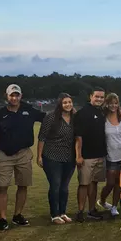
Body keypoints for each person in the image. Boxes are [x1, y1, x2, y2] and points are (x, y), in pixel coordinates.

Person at [0, 84, 45, 231]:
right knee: (2, 187)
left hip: (24, 153)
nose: (14, 98)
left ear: (21, 96)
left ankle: (17, 215)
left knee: (23, 185)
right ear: (6, 96)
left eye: (17, 95)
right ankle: (2, 219)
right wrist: (0, 150)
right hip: (4, 154)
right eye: (11, 95)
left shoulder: (28, 110)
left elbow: (46, 118)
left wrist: (68, 111)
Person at [37, 93, 76, 224]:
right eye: (65, 102)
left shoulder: (75, 117)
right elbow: (42, 137)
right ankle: (54, 214)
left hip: (69, 157)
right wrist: (39, 156)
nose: (68, 105)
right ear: (60, 104)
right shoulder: (51, 117)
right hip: (52, 156)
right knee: (55, 185)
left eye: (70, 102)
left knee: (64, 187)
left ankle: (63, 212)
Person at [73, 87, 107, 222]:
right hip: (86, 156)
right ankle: (80, 211)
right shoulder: (83, 113)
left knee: (94, 183)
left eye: (101, 97)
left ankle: (92, 210)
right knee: (83, 184)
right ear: (91, 97)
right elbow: (78, 137)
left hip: (100, 154)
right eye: (97, 97)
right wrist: (78, 155)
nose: (99, 99)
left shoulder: (101, 112)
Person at [97, 93, 121, 217]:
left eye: (116, 103)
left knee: (119, 183)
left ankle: (115, 206)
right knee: (110, 183)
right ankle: (103, 201)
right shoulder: (103, 118)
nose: (113, 105)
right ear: (107, 104)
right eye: (111, 103)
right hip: (110, 156)